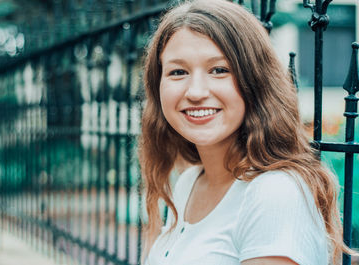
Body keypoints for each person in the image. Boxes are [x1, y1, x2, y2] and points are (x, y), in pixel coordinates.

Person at [138, 0, 354, 264]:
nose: (195, 92)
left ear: (255, 81)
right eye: (178, 71)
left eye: (219, 70)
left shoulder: (274, 193)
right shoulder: (189, 182)